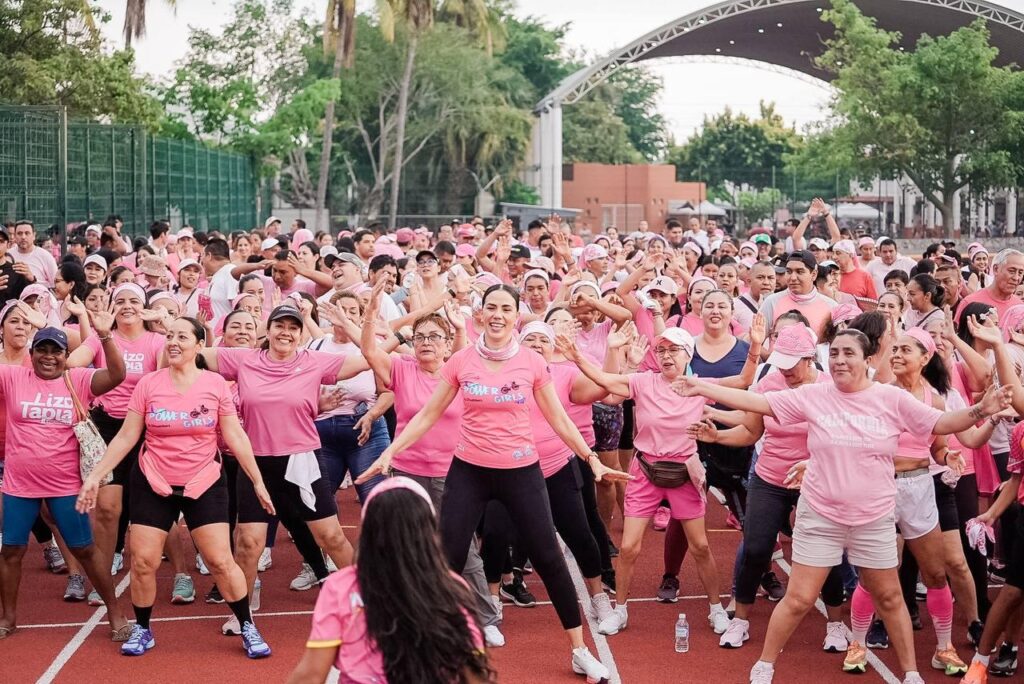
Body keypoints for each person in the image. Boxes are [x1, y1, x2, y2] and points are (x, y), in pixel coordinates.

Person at [672, 329, 1012, 684]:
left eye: (848, 353)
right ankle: (764, 665)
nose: (839, 360)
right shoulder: (814, 395)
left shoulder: (890, 399)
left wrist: (979, 410)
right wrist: (701, 388)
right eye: (833, 353)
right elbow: (760, 403)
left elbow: (941, 423)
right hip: (821, 515)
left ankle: (910, 674)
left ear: (868, 361)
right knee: (799, 598)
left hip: (873, 518)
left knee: (891, 597)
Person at [357, 284, 619, 682]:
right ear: (479, 314)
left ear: (516, 315)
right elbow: (428, 414)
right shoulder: (461, 360)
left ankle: (579, 649)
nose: (497, 315)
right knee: (448, 557)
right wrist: (391, 452)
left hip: (521, 472)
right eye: (490, 308)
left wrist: (591, 458)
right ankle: (433, 645)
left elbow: (558, 418)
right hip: (469, 471)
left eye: (505, 309)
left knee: (548, 558)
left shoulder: (532, 362)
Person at [77, 318, 275, 658]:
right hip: (153, 478)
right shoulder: (149, 384)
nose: (174, 342)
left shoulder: (214, 384)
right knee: (143, 561)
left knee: (220, 560)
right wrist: (96, 475)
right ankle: (143, 630)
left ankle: (247, 625)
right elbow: (127, 435)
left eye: (183, 336)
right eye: (170, 336)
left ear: (199, 345)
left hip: (204, 480)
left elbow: (234, 435)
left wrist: (257, 480)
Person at [557, 322, 760, 638]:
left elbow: (745, 380)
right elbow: (607, 380)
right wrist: (577, 357)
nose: (666, 356)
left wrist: (756, 345)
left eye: (673, 350)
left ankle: (716, 609)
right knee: (628, 548)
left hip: (684, 474)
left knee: (702, 546)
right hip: (645, 471)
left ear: (687, 355)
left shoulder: (699, 385)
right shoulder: (643, 382)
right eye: (661, 350)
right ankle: (620, 610)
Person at [198, 303, 372, 634]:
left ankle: (364, 598)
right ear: (269, 328)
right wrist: (178, 330)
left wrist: (349, 324)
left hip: (303, 458)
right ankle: (243, 613)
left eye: (293, 327)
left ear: (301, 333)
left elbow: (368, 358)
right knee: (248, 541)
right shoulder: (244, 359)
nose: (286, 332)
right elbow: (195, 354)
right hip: (256, 462)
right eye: (280, 325)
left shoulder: (315, 361)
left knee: (331, 536)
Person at [690, 323, 847, 653]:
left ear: (809, 359)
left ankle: (835, 624)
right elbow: (750, 433)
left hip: (816, 481)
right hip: (770, 476)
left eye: (792, 363)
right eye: (781, 362)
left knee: (823, 554)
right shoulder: (768, 383)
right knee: (756, 547)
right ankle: (741, 621)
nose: (785, 370)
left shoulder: (831, 388)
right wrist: (717, 436)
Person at [286, 477, 493, 684]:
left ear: (369, 533)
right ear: (429, 533)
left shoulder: (341, 586)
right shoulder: (452, 587)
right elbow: (474, 675)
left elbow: (312, 674)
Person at [0, 323, 129, 641]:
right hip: (19, 485)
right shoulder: (12, 376)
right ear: (30, 354)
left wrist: (104, 336)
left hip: (66, 485)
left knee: (84, 549)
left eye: (55, 350)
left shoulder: (79, 379)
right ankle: (8, 617)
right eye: (41, 350)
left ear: (66, 355)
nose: (47, 356)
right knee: (11, 551)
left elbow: (117, 374)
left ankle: (114, 611)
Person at [67, 282, 167, 605]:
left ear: (144, 306)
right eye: (119, 300)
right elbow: (73, 364)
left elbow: (171, 372)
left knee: (148, 507)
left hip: (147, 428)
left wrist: (165, 325)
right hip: (108, 427)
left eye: (133, 300)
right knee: (108, 510)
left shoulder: (156, 340)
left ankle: (174, 573)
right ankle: (103, 579)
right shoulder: (100, 338)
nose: (126, 306)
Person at [759, 251, 837, 340]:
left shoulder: (831, 306)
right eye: (788, 271)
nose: (793, 278)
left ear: (814, 274)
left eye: (799, 272)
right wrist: (770, 354)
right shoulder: (772, 302)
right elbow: (755, 342)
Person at [955, 248, 1024, 325]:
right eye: (1012, 271)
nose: (1016, 278)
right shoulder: (970, 303)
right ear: (996, 269)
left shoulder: (1020, 307)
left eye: (1020, 273)